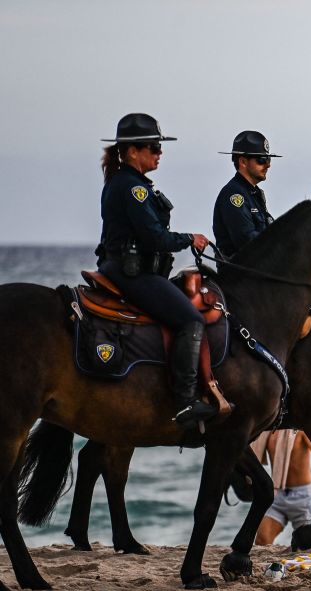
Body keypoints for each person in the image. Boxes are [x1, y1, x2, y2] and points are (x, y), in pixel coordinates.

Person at [96, 113, 215, 429]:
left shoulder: (124, 182)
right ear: (132, 151)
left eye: (159, 148)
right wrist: (190, 238)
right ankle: (185, 401)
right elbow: (154, 238)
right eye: (153, 147)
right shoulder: (133, 189)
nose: (159, 153)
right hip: (132, 273)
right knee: (191, 319)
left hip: (121, 267)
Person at [253, 430, 311, 545]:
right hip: (278, 495)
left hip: (304, 498)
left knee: (310, 544)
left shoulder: (300, 431)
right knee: (261, 540)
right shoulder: (267, 431)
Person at [212, 130, 280, 258]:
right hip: (242, 274)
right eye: (261, 160)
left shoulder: (254, 193)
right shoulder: (233, 194)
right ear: (243, 162)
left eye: (268, 159)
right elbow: (247, 241)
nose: (268, 165)